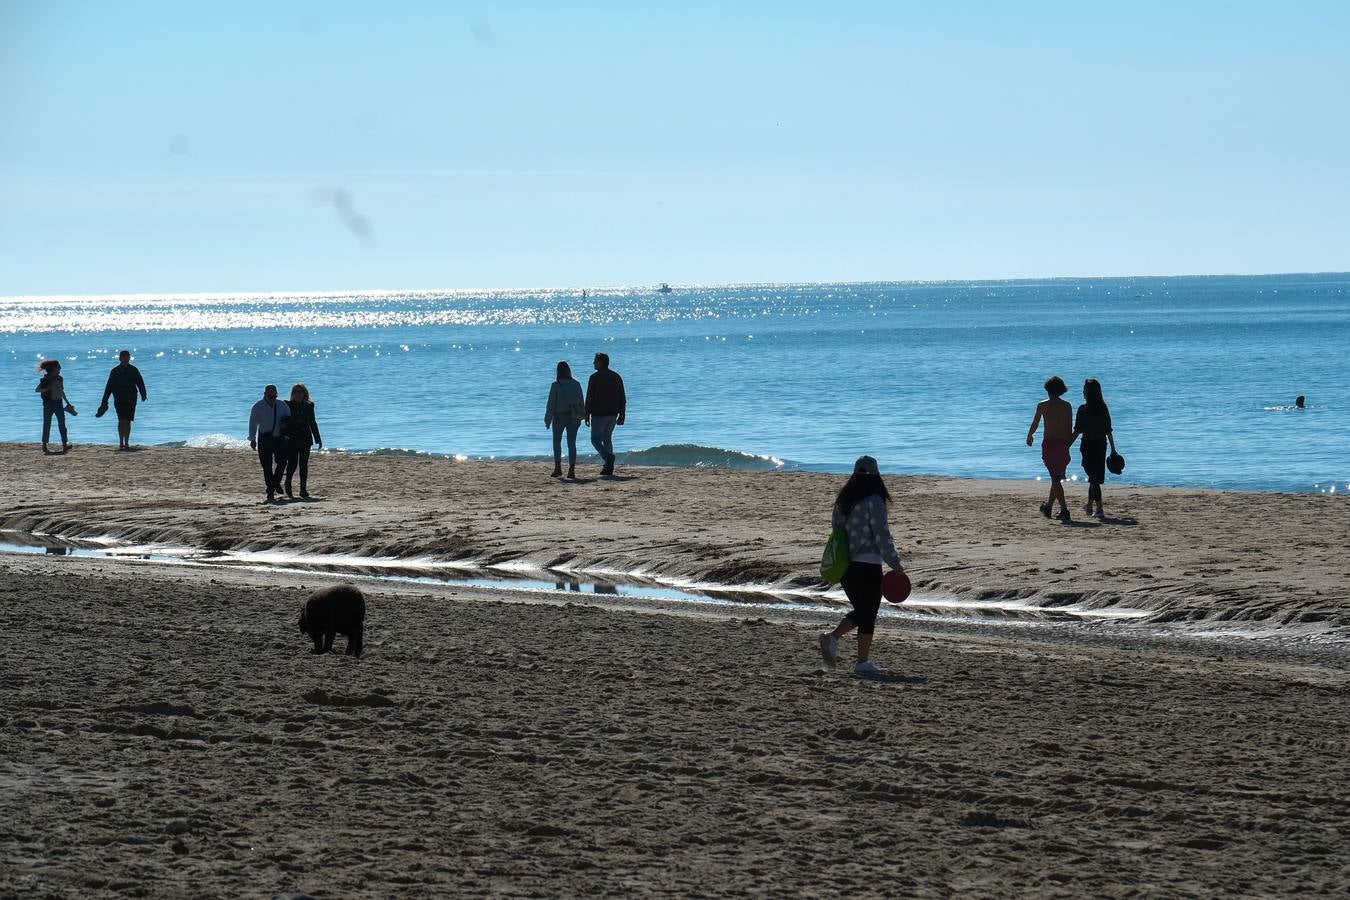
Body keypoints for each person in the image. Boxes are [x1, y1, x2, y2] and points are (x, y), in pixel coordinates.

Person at [818, 455, 905, 675]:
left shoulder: (843, 501)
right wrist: (895, 564)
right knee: (868, 612)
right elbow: (882, 536)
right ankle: (854, 656)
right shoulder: (875, 501)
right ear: (876, 475)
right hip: (868, 565)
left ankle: (840, 645)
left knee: (864, 611)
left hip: (846, 566)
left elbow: (837, 531)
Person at [1026, 375, 1074, 521]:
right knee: (1056, 477)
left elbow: (1035, 423)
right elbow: (1069, 428)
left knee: (1055, 478)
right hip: (1063, 444)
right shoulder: (1067, 406)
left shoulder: (1043, 405)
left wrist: (1030, 435)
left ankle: (1064, 510)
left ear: (1048, 389)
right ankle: (1048, 508)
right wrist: (1067, 446)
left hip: (1050, 444)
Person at [1070, 378, 1118, 519]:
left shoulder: (1083, 410)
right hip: (1101, 446)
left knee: (1093, 478)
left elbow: (1077, 431)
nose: (1082, 391)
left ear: (1089, 392)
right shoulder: (1103, 408)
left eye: (1084, 388)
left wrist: (1066, 446)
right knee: (1094, 477)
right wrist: (1113, 449)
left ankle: (1100, 508)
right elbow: (1108, 430)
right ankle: (1090, 505)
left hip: (1088, 446)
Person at [584, 352, 626, 478]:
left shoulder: (594, 378)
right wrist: (622, 413)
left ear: (601, 362)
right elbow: (622, 397)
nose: (593, 363)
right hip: (613, 413)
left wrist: (586, 414)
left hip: (599, 413)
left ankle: (608, 458)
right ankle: (608, 467)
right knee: (607, 439)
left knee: (595, 439)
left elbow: (589, 397)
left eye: (595, 361)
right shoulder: (616, 376)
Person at [248, 384, 291, 503]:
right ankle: (270, 491)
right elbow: (253, 424)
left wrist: (286, 429)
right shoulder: (258, 407)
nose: (273, 398)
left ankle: (275, 482)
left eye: (274, 396)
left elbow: (289, 419)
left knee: (282, 462)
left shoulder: (282, 405)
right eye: (270, 396)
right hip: (264, 438)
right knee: (266, 467)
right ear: (265, 395)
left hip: (279, 439)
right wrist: (252, 439)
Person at [97, 350, 148, 450]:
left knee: (128, 421)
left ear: (129, 358)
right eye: (123, 357)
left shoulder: (134, 370)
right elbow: (109, 387)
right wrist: (104, 401)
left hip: (131, 399)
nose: (125, 359)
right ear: (120, 359)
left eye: (127, 357)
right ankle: (121, 442)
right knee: (121, 420)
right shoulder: (115, 371)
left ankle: (127, 442)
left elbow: (140, 383)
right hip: (119, 398)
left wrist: (143, 394)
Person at [280, 383, 323, 498]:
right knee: (293, 463)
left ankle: (303, 489)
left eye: (300, 392)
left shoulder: (309, 405)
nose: (298, 394)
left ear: (305, 393)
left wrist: (318, 438)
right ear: (292, 394)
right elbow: (282, 422)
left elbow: (312, 422)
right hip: (292, 438)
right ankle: (288, 482)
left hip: (305, 437)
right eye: (296, 392)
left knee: (304, 464)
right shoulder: (287, 405)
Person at [544, 361, 585, 478]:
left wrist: (548, 418)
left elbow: (551, 403)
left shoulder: (556, 385)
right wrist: (583, 415)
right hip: (574, 416)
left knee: (557, 442)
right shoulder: (576, 383)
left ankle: (558, 468)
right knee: (572, 443)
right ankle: (571, 470)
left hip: (559, 416)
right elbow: (581, 400)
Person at [35, 359, 71, 454]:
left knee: (62, 424)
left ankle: (64, 444)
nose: (60, 368)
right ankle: (44, 445)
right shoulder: (46, 379)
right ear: (54, 368)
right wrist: (46, 389)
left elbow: (62, 392)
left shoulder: (60, 379)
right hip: (48, 404)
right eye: (58, 366)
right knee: (47, 424)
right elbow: (37, 390)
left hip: (59, 403)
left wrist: (68, 402)